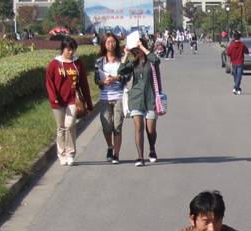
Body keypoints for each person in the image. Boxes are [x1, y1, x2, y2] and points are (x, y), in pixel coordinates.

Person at [45, 37, 93, 166]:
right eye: (68, 49)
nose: (71, 52)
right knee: (60, 127)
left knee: (70, 125)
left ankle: (70, 153)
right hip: (57, 101)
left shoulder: (77, 63)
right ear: (63, 49)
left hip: (72, 99)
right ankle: (62, 154)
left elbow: (83, 83)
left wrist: (89, 103)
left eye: (73, 49)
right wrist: (53, 96)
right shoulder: (54, 64)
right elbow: (49, 82)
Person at [117, 32, 163, 167]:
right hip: (136, 98)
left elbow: (156, 60)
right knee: (138, 128)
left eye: (138, 49)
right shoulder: (133, 63)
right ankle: (140, 157)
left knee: (151, 130)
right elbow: (121, 71)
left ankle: (152, 149)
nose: (137, 51)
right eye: (135, 50)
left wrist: (142, 47)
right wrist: (125, 54)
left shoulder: (151, 61)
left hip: (151, 98)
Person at [95, 33, 127, 164]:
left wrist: (116, 78)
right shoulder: (99, 61)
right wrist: (103, 82)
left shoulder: (122, 60)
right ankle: (110, 146)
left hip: (119, 96)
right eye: (108, 42)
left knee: (117, 126)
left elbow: (127, 76)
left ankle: (116, 155)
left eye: (113, 42)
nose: (111, 44)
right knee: (107, 126)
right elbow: (96, 79)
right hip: (105, 98)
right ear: (104, 44)